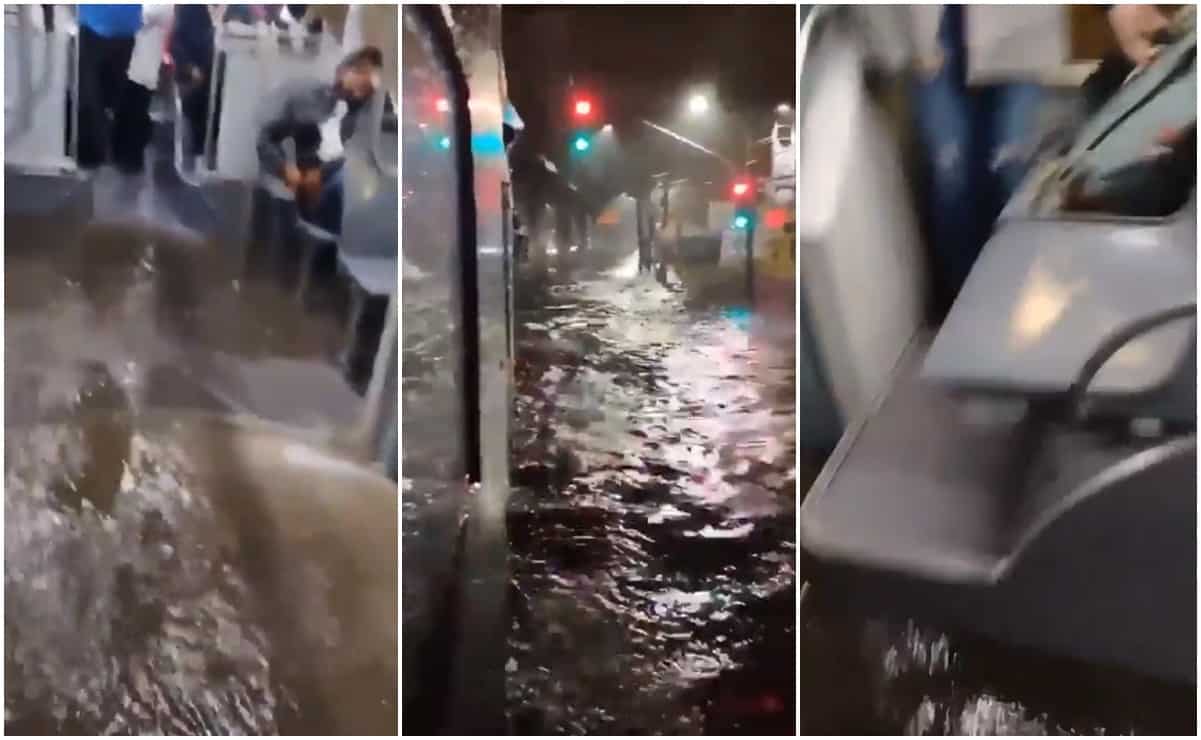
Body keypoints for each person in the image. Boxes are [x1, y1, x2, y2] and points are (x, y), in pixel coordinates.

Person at [255, 45, 383, 234]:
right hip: (302, 182)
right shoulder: (308, 99)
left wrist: (323, 172)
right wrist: (284, 168)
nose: (365, 79)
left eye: (371, 79)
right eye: (360, 70)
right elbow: (266, 139)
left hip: (339, 184)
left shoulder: (367, 116)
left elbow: (362, 158)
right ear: (342, 72)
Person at [76, 4, 143, 170]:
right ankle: (98, 153)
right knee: (103, 95)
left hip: (108, 29)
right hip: (118, 29)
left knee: (97, 95)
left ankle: (95, 154)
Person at [113, 4, 172, 174]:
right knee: (130, 111)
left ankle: (130, 158)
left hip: (142, 68)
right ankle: (127, 157)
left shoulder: (159, 8)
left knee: (133, 112)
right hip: (138, 66)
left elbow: (138, 20)